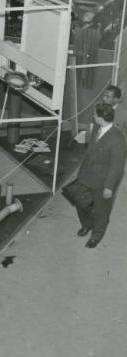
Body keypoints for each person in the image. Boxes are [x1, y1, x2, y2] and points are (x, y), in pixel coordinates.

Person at [62, 103, 126, 248]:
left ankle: (96, 235)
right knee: (79, 200)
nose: (93, 116)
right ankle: (87, 224)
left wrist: (109, 187)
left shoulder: (118, 139)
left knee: (101, 210)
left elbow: (116, 167)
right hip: (86, 174)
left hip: (102, 181)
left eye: (95, 114)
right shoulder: (96, 128)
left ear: (102, 117)